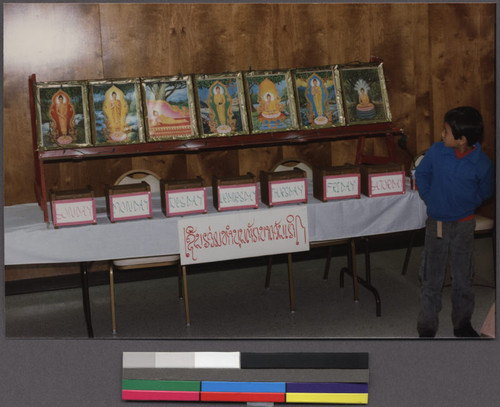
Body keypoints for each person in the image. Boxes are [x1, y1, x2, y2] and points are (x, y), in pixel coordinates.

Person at [415, 106, 494, 338]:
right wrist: (430, 198)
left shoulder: (482, 163)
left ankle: (462, 324)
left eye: (446, 131)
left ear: (462, 140)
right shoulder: (437, 151)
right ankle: (427, 327)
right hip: (436, 224)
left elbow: (487, 190)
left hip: (463, 225)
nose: (442, 134)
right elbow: (422, 174)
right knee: (431, 277)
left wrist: (470, 202)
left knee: (463, 277)